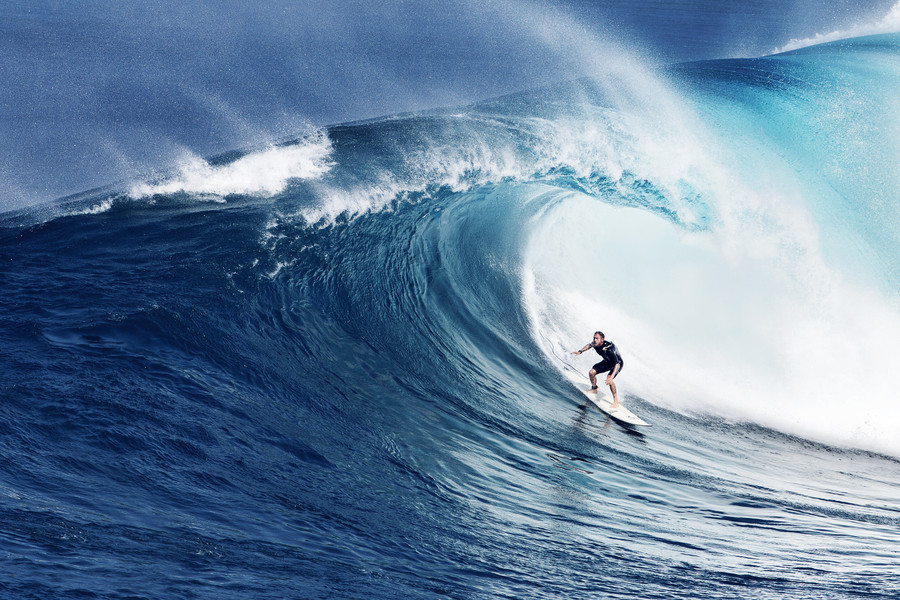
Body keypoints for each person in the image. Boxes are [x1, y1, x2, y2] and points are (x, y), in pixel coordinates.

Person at [571, 331, 623, 408]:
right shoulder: (595, 344)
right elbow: (589, 345)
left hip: (617, 364)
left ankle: (616, 401)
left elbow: (617, 363)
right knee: (591, 372)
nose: (595, 340)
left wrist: (611, 377)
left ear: (602, 339)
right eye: (594, 338)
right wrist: (580, 351)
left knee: (610, 379)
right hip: (607, 362)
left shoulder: (609, 348)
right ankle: (594, 389)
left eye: (597, 338)